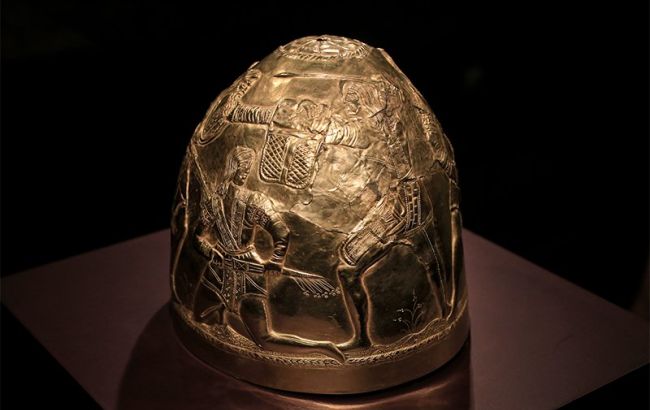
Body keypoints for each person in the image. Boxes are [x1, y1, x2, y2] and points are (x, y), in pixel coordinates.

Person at [192, 146, 344, 361]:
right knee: (200, 318)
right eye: (242, 168)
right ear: (232, 168)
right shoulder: (213, 202)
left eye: (247, 169)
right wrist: (210, 251)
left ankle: (322, 348)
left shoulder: (253, 201)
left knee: (264, 340)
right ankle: (226, 328)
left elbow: (281, 231)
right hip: (217, 272)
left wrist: (275, 261)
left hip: (248, 274)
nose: (245, 173)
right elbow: (198, 236)